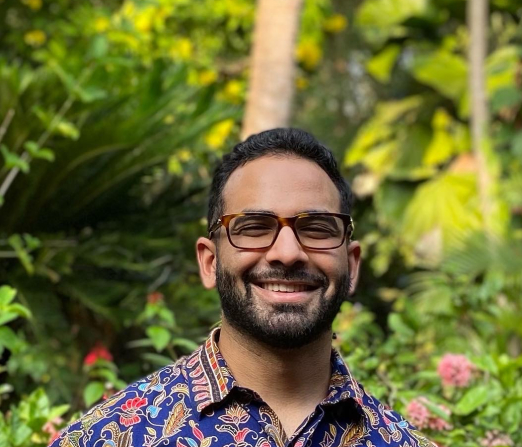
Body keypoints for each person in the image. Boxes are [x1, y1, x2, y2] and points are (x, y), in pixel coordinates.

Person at [51, 128, 434, 447]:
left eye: (316, 229)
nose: (287, 253)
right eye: (253, 228)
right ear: (209, 261)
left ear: (351, 266)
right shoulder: (111, 437)